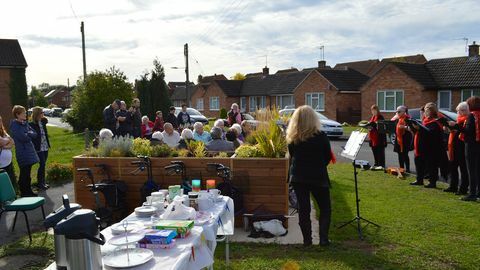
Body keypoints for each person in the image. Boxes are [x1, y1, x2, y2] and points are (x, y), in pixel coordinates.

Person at [286, 105, 332, 246]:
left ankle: (307, 241)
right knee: (325, 208)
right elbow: (327, 157)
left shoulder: (293, 138)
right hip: (318, 175)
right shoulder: (321, 136)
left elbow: (292, 156)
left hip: (299, 177)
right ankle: (323, 239)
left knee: (303, 209)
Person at [409, 103, 443, 188]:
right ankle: (419, 180)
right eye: (425, 110)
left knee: (431, 166)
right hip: (420, 146)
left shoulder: (436, 122)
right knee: (419, 164)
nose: (425, 112)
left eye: (427, 110)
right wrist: (413, 127)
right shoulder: (425, 121)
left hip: (430, 148)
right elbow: (420, 132)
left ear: (433, 111)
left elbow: (430, 134)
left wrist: (419, 129)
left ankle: (432, 182)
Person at [10, 105, 39, 197]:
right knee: (24, 174)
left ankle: (28, 191)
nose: (26, 114)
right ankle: (24, 192)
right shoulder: (14, 125)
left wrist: (28, 133)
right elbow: (23, 138)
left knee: (28, 174)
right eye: (24, 113)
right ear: (18, 114)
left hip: (29, 151)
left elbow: (35, 134)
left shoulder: (25, 123)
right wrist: (28, 134)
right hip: (23, 153)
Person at [444, 102, 469, 194]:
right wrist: (448, 129)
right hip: (453, 147)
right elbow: (455, 132)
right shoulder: (458, 120)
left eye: (463, 110)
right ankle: (453, 186)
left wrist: (455, 126)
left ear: (467, 111)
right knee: (453, 167)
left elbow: (465, 132)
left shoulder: (467, 120)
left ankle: (463, 189)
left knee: (463, 169)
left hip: (462, 147)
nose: (461, 112)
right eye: (459, 110)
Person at [461, 96, 480, 201]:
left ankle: (472, 193)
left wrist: (455, 126)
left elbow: (468, 131)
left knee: (471, 170)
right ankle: (478, 192)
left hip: (471, 146)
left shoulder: (471, 116)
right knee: (478, 170)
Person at [29, 107, 51, 190]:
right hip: (38, 147)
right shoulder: (31, 125)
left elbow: (46, 120)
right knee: (42, 164)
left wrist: (42, 118)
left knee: (43, 164)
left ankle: (43, 182)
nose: (43, 113)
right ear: (37, 114)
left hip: (45, 146)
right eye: (42, 112)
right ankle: (40, 183)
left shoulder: (43, 122)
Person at [392, 105, 412, 174]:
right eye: (397, 111)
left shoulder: (408, 118)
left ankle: (408, 169)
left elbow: (411, 129)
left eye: (399, 111)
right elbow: (393, 126)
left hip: (405, 139)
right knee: (399, 154)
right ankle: (401, 168)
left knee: (405, 154)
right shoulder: (397, 118)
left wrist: (404, 127)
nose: (397, 112)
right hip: (398, 139)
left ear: (404, 112)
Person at [367, 105, 386, 170]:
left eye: (374, 110)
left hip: (379, 137)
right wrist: (369, 127)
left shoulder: (380, 117)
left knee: (380, 151)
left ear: (377, 110)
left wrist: (374, 126)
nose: (373, 112)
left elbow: (381, 127)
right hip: (372, 137)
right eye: (372, 110)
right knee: (374, 150)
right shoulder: (372, 117)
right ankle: (376, 163)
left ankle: (381, 164)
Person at [0, 115, 16, 188]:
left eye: (0, 120)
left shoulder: (3, 131)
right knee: (3, 185)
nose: (0, 122)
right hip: (1, 165)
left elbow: (12, 141)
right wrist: (7, 140)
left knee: (10, 183)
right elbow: (2, 142)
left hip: (8, 163)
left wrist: (5, 146)